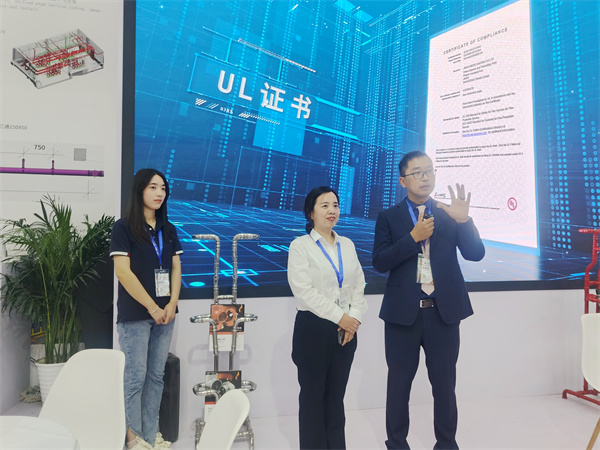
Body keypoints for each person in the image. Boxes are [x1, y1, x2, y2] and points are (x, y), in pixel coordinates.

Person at [372, 151, 485, 449]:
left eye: (429, 171)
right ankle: (397, 444)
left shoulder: (450, 213)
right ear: (403, 181)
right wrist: (413, 237)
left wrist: (465, 220)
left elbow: (475, 254)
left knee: (445, 386)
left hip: (443, 313)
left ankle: (446, 444)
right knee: (399, 386)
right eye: (418, 172)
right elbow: (380, 261)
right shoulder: (388, 217)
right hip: (402, 315)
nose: (425, 177)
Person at [287, 186, 368, 449]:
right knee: (312, 399)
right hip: (313, 330)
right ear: (310, 213)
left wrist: (353, 319)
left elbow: (359, 285)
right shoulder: (300, 246)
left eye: (335, 205)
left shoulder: (347, 244)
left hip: (346, 332)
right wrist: (341, 317)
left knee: (336, 398)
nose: (332, 210)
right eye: (324, 205)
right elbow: (304, 292)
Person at [109, 169, 183, 450]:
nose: (159, 193)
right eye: (153, 187)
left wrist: (172, 304)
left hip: (166, 315)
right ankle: (133, 438)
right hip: (136, 316)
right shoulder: (123, 227)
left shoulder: (168, 229)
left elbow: (176, 268)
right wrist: (153, 307)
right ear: (139, 190)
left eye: (163, 188)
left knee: (156, 377)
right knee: (135, 378)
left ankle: (151, 435)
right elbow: (123, 272)